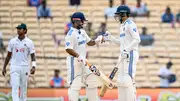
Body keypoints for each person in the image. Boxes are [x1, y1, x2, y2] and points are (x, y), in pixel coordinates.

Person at [103, 5, 141, 101]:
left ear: (124, 14)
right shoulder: (122, 26)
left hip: (130, 54)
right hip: (123, 55)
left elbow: (137, 39)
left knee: (128, 79)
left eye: (119, 15)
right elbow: (122, 42)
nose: (118, 17)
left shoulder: (130, 24)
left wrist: (126, 50)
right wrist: (111, 38)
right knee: (120, 81)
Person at [65, 12, 103, 101]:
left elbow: (90, 42)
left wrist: (97, 40)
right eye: (82, 21)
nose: (83, 23)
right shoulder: (70, 34)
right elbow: (68, 49)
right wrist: (78, 56)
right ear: (76, 21)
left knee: (92, 79)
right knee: (75, 85)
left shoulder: (82, 32)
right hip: (74, 62)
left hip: (83, 61)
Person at [1, 23, 36, 101]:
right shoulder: (12, 41)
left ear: (25, 31)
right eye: (17, 29)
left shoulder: (29, 42)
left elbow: (33, 56)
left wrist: (33, 66)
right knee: (15, 87)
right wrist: (4, 67)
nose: (18, 30)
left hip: (25, 67)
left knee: (23, 88)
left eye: (20, 29)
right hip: (14, 67)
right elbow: (8, 56)